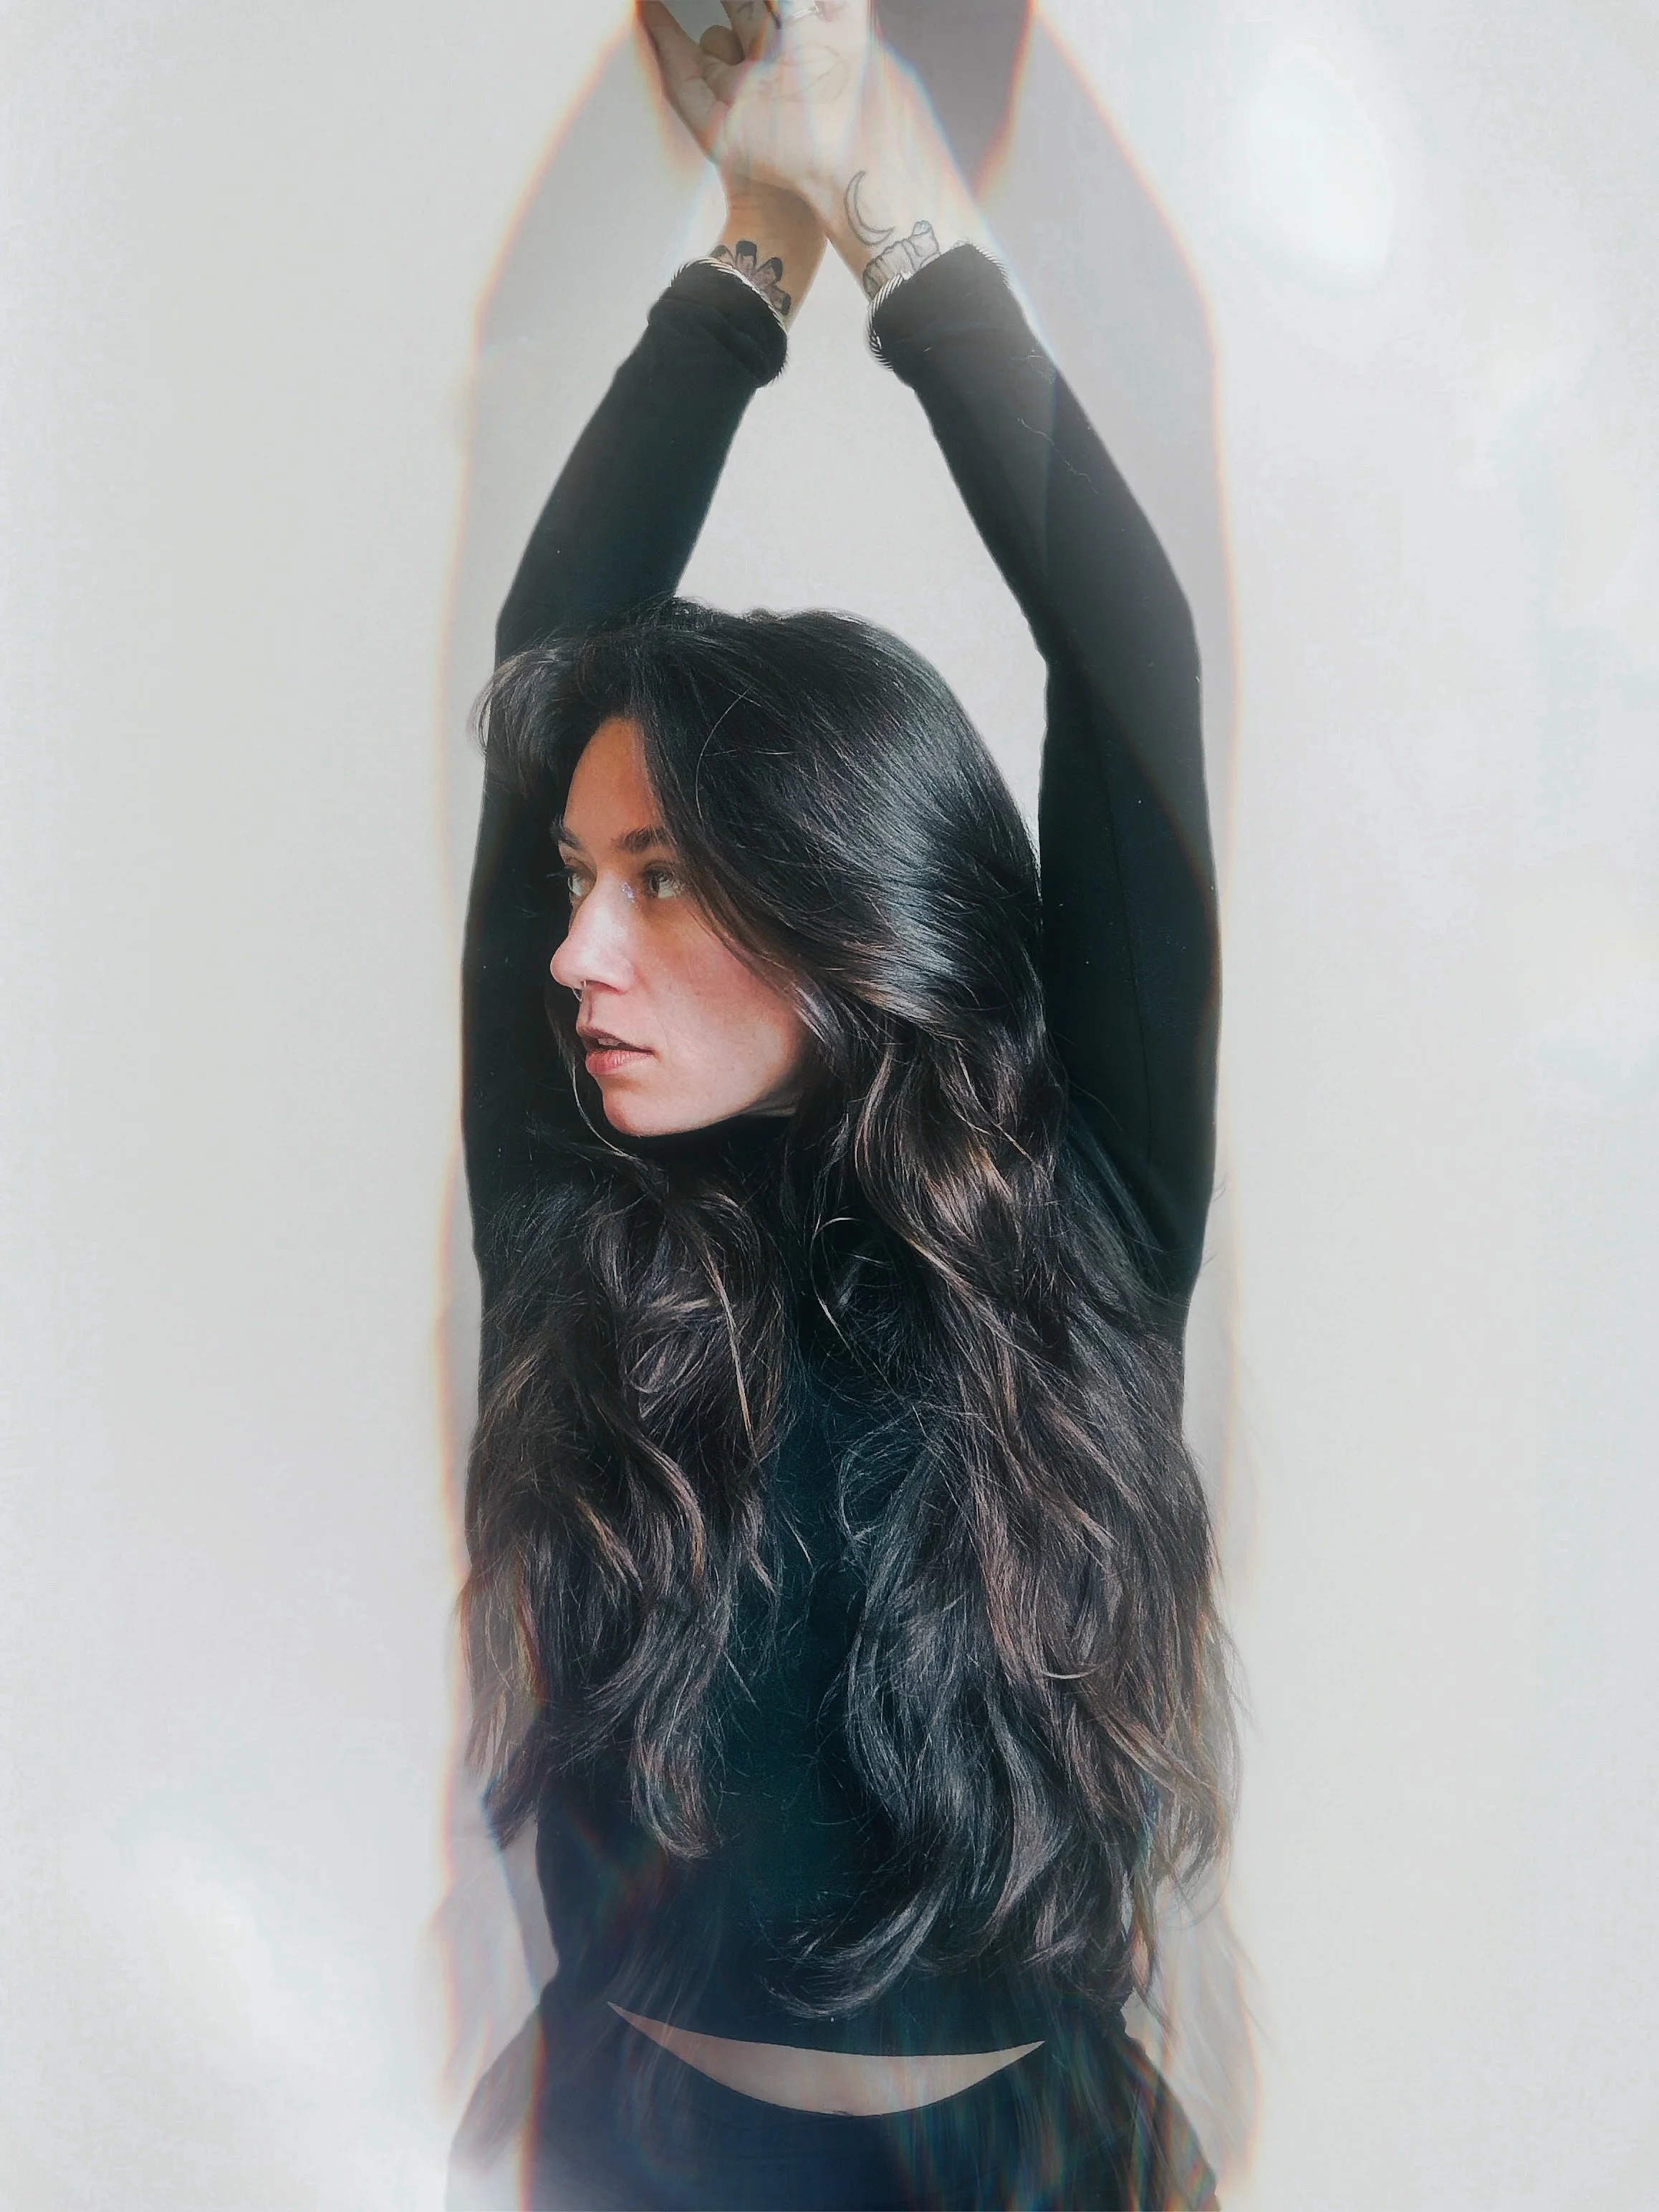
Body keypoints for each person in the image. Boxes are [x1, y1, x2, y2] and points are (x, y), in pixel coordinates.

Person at [458, 3, 1234, 2203]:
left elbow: (1132, 668)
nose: (572, 955)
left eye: (661, 880)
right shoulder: (578, 1229)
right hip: (640, 2153)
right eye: (570, 884)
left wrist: (881, 218)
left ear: (834, 894)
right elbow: (543, 670)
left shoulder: (1073, 1218)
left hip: (1039, 2167)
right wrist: (739, 258)